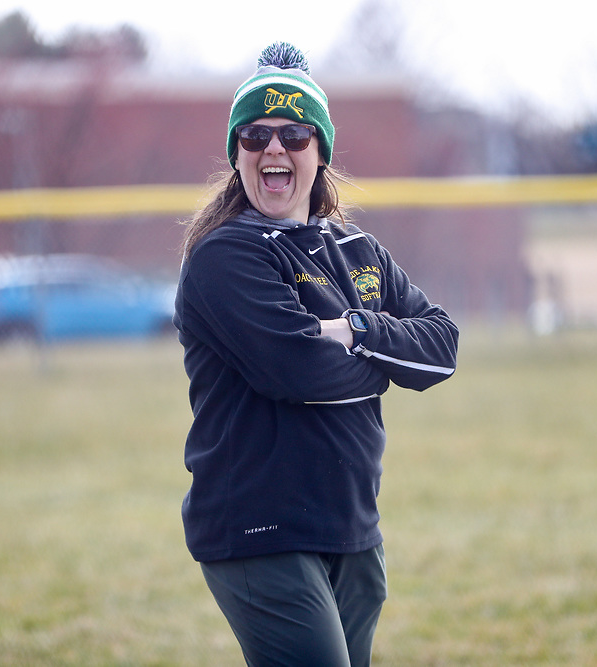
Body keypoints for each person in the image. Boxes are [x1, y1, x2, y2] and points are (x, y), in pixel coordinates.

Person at [172, 42, 459, 666]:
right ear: (236, 154)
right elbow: (295, 369)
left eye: (295, 134)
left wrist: (353, 328)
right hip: (261, 530)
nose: (274, 148)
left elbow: (441, 346)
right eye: (255, 135)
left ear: (320, 151)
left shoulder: (359, 249)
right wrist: (383, 358)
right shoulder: (227, 255)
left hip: (352, 527)